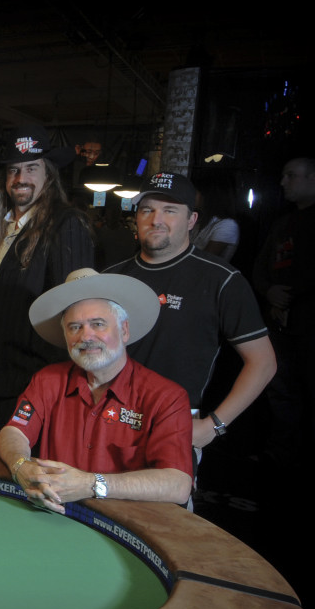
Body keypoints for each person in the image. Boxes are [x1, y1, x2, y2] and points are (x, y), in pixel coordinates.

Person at [0, 269, 192, 511]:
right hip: (54, 513)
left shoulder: (167, 397)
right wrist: (20, 466)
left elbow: (178, 484)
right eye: (74, 327)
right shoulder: (47, 380)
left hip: (127, 524)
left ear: (124, 330)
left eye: (98, 324)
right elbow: (14, 432)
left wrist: (92, 484)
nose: (86, 336)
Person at [103, 171, 273, 449]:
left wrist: (214, 425)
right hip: (105, 418)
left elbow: (263, 362)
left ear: (192, 220)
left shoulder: (221, 280)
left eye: (169, 211)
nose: (156, 220)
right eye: (147, 210)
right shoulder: (110, 277)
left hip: (172, 426)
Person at [0, 131, 94, 425]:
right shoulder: (3, 227)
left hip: (34, 384)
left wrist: (52, 387)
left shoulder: (66, 223)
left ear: (48, 174)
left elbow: (74, 311)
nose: (20, 178)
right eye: (13, 170)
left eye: (31, 168)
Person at [253, 156, 315, 463]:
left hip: (307, 321)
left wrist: (288, 295)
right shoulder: (282, 223)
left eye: (291, 175)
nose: (283, 182)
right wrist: (269, 291)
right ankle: (280, 452)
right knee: (280, 390)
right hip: (279, 322)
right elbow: (261, 266)